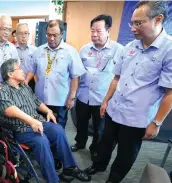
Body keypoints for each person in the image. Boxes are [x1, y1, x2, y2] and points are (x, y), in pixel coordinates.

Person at [84, 2, 172, 183]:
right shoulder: (130, 47)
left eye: (139, 23)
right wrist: (105, 101)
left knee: (126, 153)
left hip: (136, 118)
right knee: (105, 143)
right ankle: (98, 165)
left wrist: (156, 122)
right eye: (131, 23)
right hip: (114, 109)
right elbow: (116, 78)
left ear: (158, 19)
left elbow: (171, 93)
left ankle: (114, 178)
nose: (133, 28)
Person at [0, 59, 91, 183]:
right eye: (19, 69)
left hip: (38, 122)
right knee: (41, 140)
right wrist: (31, 121)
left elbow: (36, 101)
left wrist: (48, 111)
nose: (23, 71)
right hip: (19, 129)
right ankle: (52, 179)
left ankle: (70, 167)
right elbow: (8, 110)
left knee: (58, 130)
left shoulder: (24, 86)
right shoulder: (1, 89)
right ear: (10, 74)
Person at [71, 15, 124, 157]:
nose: (94, 34)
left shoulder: (119, 50)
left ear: (108, 30)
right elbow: (77, 72)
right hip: (83, 95)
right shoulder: (84, 49)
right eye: (92, 31)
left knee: (99, 128)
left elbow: (120, 77)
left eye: (98, 31)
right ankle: (80, 142)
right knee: (80, 123)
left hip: (102, 98)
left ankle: (95, 149)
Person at [25, 19, 86, 128]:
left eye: (55, 35)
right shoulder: (39, 51)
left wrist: (72, 98)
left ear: (62, 34)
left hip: (60, 101)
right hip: (40, 101)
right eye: (49, 35)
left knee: (58, 130)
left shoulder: (70, 52)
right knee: (40, 128)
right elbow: (31, 70)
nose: (51, 38)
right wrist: (25, 82)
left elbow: (75, 77)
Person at [15, 23, 37, 91]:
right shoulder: (11, 49)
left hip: (30, 82)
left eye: (26, 33)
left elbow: (36, 68)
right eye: (20, 33)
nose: (23, 36)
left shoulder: (35, 50)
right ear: (16, 35)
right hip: (15, 83)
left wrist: (27, 80)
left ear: (28, 35)